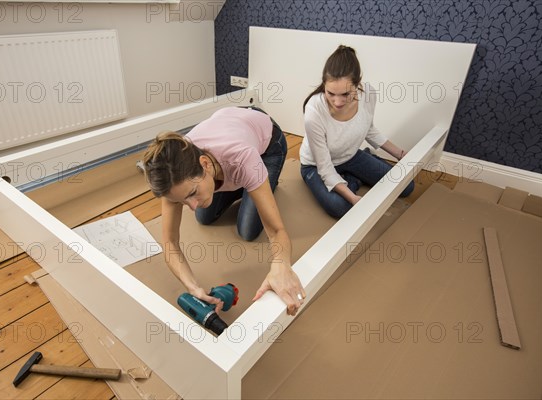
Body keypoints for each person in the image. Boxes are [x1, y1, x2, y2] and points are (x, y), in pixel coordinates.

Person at [141, 106, 305, 316]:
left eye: (192, 192)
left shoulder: (242, 158)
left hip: (267, 143)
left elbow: (276, 231)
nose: (191, 206)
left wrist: (281, 266)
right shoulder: (174, 175)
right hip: (228, 128)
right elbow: (170, 243)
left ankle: (258, 183)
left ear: (205, 165)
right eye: (182, 201)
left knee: (247, 229)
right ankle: (250, 185)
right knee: (204, 217)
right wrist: (193, 287)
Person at [300, 45, 414, 219]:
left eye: (346, 94)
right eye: (331, 93)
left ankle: (350, 176)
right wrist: (353, 198)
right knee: (339, 207)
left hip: (350, 156)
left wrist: (400, 153)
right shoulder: (314, 110)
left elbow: (369, 129)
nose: (337, 102)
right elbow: (324, 167)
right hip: (315, 165)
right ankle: (352, 180)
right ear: (324, 84)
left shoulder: (368, 94)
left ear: (357, 84)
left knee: (406, 187)